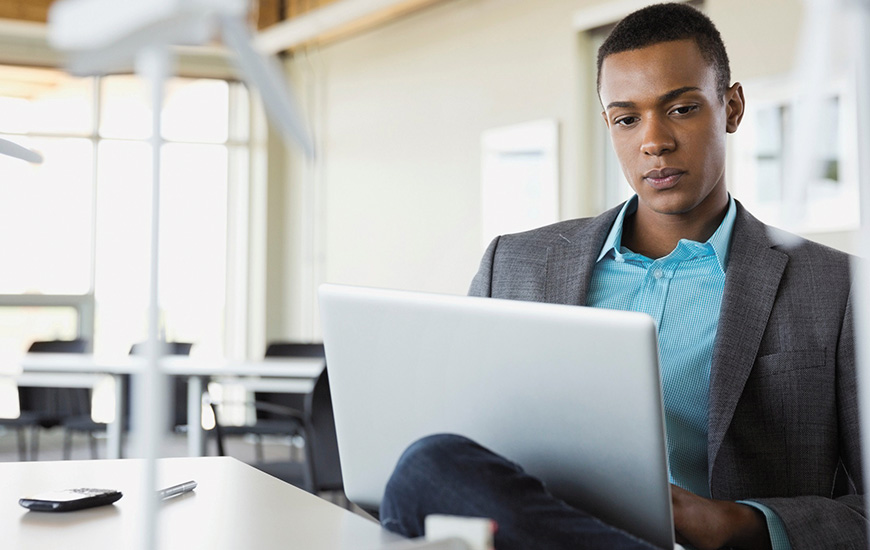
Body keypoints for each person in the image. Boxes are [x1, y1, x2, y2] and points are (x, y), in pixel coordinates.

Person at [378, 3, 865, 550]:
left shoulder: (838, 288)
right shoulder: (511, 265)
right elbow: (467, 447)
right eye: (627, 118)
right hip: (539, 532)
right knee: (428, 464)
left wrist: (738, 522)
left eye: (680, 109)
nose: (653, 141)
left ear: (731, 107)